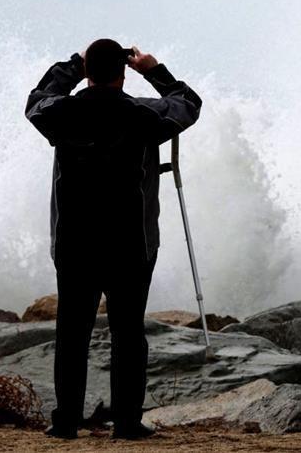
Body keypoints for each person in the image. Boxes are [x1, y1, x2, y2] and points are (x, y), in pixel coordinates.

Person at [25, 39, 202, 440]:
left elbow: (37, 99)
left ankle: (66, 421)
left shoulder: (62, 113)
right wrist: (154, 71)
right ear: (123, 73)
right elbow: (187, 103)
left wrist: (73, 66)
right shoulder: (143, 114)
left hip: (75, 241)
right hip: (131, 242)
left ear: (88, 71)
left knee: (72, 333)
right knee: (127, 333)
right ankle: (126, 423)